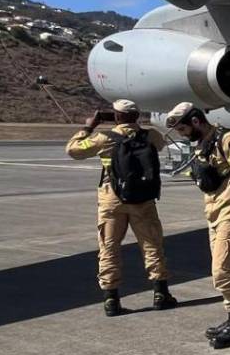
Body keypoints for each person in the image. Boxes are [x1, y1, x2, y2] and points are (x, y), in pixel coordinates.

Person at [165, 102, 230, 347]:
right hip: (215, 213)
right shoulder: (203, 144)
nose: (182, 135)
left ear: (195, 121)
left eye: (183, 129)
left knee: (223, 270)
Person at [66, 98, 176, 315]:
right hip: (143, 199)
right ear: (137, 116)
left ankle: (111, 299)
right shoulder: (151, 135)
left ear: (116, 116)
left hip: (112, 199)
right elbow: (161, 144)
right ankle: (161, 293)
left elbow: (73, 150)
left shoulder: (104, 138)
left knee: (109, 247)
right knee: (152, 245)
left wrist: (89, 127)